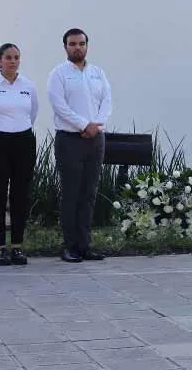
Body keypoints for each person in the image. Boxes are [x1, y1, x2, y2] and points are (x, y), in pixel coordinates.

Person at [46, 28, 112, 263]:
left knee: (89, 194)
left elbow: (107, 101)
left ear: (87, 46)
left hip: (95, 140)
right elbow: (59, 105)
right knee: (71, 193)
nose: (77, 48)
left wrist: (96, 125)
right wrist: (84, 124)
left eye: (81, 43)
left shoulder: (98, 73)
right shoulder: (59, 74)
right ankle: (70, 246)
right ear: (65, 47)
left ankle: (85, 246)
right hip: (70, 140)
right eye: (72, 44)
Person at [0, 43, 38, 266]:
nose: (13, 61)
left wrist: (18, 131)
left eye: (16, 57)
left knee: (20, 194)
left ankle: (17, 246)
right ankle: (0, 247)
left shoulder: (28, 86)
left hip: (23, 142)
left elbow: (33, 113)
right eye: (8, 57)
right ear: (0, 61)